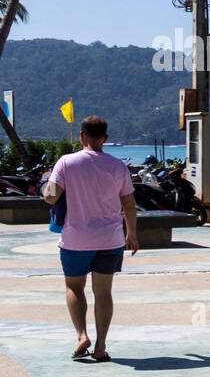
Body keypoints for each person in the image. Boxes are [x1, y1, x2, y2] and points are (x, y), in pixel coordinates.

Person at [41, 116, 138, 361]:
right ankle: (101, 346)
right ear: (105, 138)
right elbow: (128, 203)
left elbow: (50, 197)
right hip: (110, 239)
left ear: (82, 136)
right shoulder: (118, 166)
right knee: (103, 293)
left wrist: (45, 184)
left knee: (74, 286)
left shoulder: (66, 163)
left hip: (76, 239)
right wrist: (132, 234)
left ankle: (82, 335)